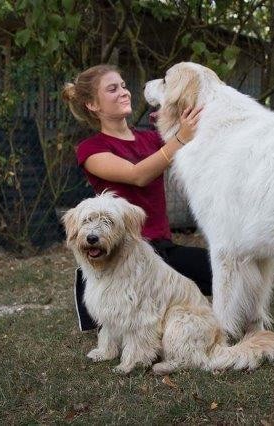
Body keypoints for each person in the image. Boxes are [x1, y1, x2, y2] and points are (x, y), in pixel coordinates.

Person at [62, 64, 212, 331]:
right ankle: (96, 279)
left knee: (220, 273)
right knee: (133, 319)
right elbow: (137, 175)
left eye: (123, 85)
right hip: (125, 251)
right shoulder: (91, 149)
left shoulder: (152, 138)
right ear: (93, 105)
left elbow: (193, 141)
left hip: (162, 249)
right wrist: (179, 138)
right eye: (112, 89)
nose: (124, 92)